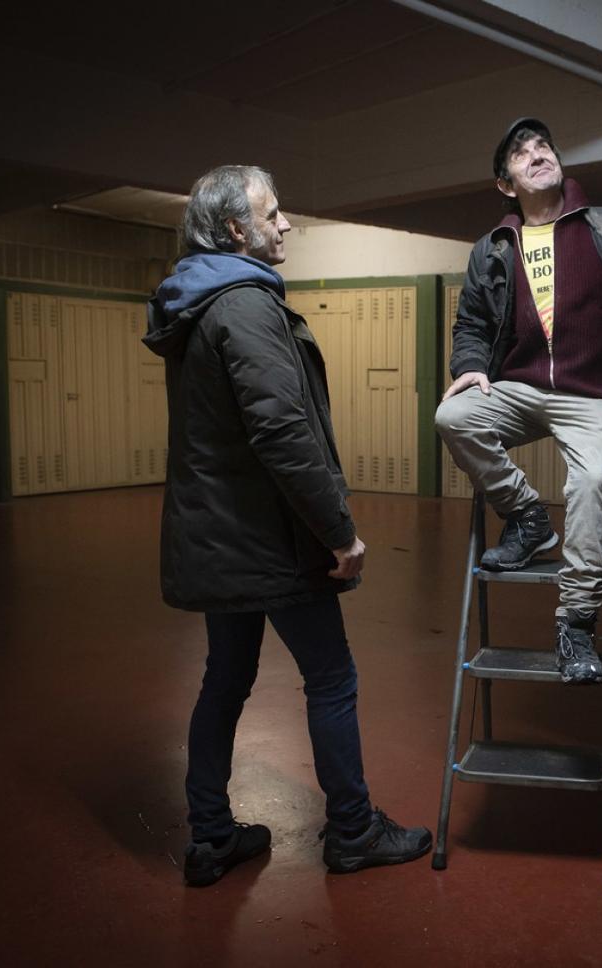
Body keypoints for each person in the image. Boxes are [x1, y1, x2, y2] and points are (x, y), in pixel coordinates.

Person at [144, 165, 431, 887]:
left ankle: (212, 836)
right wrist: (338, 532)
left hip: (221, 537)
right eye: (272, 214)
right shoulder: (244, 305)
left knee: (225, 678)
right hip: (268, 539)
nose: (286, 224)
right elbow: (280, 431)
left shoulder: (198, 302)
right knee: (331, 678)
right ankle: (354, 831)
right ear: (235, 228)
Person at [435, 117, 602, 682]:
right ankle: (527, 518)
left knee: (594, 479)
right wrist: (470, 367)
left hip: (594, 391)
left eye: (542, 145)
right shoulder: (494, 248)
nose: (537, 154)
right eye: (521, 153)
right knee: (454, 414)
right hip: (521, 385)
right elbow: (472, 323)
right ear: (506, 184)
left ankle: (576, 622)